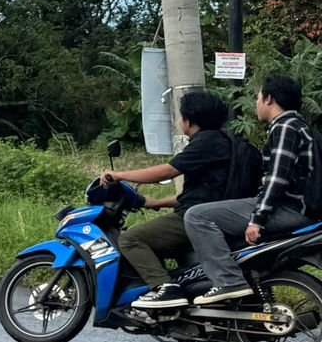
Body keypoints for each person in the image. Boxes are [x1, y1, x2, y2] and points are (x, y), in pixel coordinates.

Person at [183, 74, 319, 304]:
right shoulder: (300, 125)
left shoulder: (285, 127)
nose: (256, 103)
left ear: (269, 99)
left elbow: (277, 178)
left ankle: (228, 282)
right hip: (300, 207)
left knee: (197, 216)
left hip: (290, 208)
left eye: (257, 98)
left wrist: (257, 219)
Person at [111, 90, 234, 309]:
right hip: (212, 213)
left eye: (180, 116)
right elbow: (199, 193)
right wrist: (156, 203)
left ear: (189, 119)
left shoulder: (205, 142)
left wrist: (119, 175)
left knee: (130, 239)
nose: (179, 121)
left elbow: (166, 172)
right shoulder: (223, 141)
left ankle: (164, 289)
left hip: (196, 219)